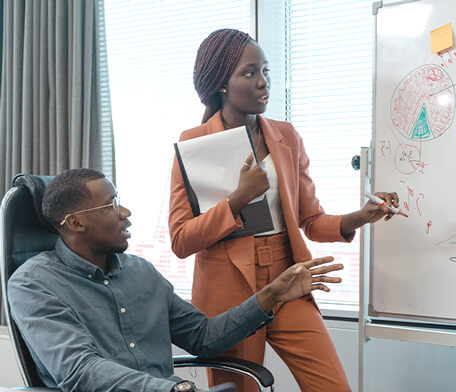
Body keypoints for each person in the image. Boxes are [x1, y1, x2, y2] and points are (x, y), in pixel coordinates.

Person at [169, 28, 400, 392]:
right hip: (229, 289)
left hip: (288, 277)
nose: (264, 83)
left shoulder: (286, 136)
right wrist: (238, 200)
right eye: (250, 73)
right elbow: (181, 239)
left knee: (333, 386)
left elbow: (309, 220)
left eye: (266, 71)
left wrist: (360, 216)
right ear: (221, 84)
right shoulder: (194, 143)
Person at [7, 168, 344, 392]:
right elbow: (79, 370)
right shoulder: (33, 284)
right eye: (112, 205)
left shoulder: (140, 272)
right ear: (75, 223)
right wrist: (171, 388)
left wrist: (271, 294)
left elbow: (203, 337)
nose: (125, 214)